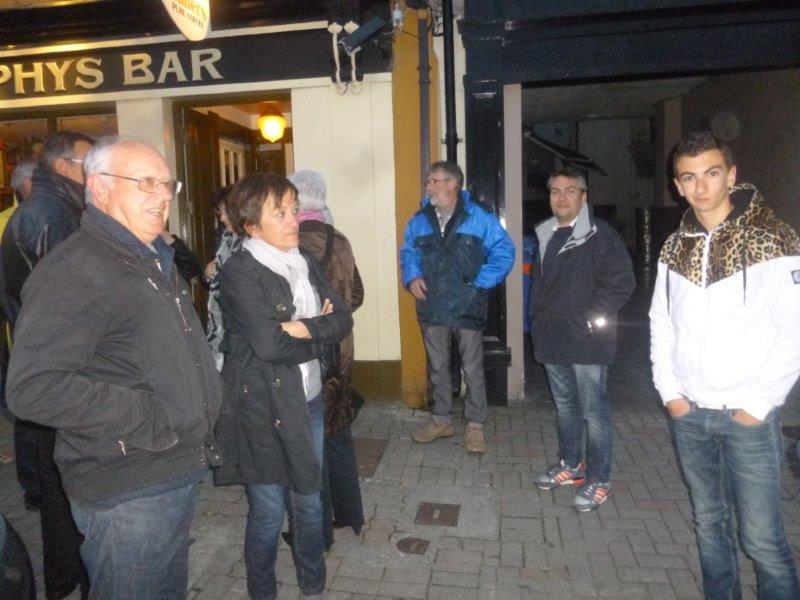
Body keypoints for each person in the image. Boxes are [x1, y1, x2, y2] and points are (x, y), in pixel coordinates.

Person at [6, 136, 224, 600]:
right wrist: (152, 415)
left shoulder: (151, 258)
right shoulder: (75, 269)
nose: (162, 195)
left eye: (167, 184)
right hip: (128, 485)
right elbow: (33, 388)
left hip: (172, 466)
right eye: (145, 182)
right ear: (100, 188)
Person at [650, 131, 800, 598]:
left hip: (747, 418)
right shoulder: (675, 247)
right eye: (688, 177)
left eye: (711, 174)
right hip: (690, 415)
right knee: (709, 525)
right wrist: (670, 393)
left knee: (762, 541)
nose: (701, 187)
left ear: (731, 176)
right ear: (677, 185)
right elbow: (661, 322)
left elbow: (794, 330)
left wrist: (757, 406)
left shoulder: (773, 239)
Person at [213, 173, 352, 600]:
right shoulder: (240, 271)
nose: (294, 220)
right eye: (281, 213)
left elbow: (342, 319)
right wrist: (316, 329)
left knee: (309, 501)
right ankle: (263, 592)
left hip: (308, 398)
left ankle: (313, 586)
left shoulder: (303, 259)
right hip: (262, 405)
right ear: (251, 225)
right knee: (269, 511)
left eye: (294, 209)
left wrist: (299, 327)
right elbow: (270, 345)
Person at [1, 132, 93, 600]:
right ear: (63, 166)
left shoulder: (53, 209)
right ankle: (71, 572)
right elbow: (72, 301)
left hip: (49, 359)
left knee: (59, 473)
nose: (94, 170)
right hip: (61, 365)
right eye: (87, 162)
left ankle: (65, 572)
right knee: (66, 475)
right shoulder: (52, 215)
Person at [530, 166, 634, 512]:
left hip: (587, 341)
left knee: (593, 413)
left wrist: (593, 317)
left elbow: (622, 281)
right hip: (553, 337)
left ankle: (600, 479)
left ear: (584, 196)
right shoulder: (546, 232)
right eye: (555, 191)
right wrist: (537, 322)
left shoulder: (600, 235)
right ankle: (571, 464)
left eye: (570, 190)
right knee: (565, 407)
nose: (561, 197)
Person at [400, 160, 515, 454]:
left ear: (453, 184)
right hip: (432, 304)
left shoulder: (479, 218)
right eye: (428, 180)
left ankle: (475, 425)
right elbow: (409, 253)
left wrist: (480, 282)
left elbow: (504, 251)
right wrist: (412, 277)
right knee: (437, 366)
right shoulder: (419, 220)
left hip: (467, 304)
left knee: (472, 368)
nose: (428, 186)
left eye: (434, 180)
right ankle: (441, 420)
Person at [288, 169, 365, 548]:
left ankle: (316, 534)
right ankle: (351, 514)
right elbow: (358, 295)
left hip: (309, 352)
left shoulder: (292, 244)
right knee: (338, 428)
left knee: (310, 442)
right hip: (342, 348)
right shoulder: (340, 239)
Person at [204, 185, 239, 372]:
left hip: (237, 330)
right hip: (218, 324)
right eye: (220, 212)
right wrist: (208, 273)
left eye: (225, 212)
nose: (222, 218)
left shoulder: (253, 242)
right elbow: (213, 278)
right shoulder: (224, 236)